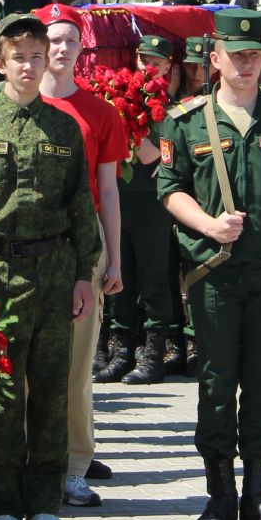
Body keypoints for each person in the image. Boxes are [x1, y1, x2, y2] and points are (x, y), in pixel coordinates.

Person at [160, 8, 261, 520]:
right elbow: (169, 189)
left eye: (256, 54)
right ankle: (219, 498)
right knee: (215, 382)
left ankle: (260, 496)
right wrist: (210, 224)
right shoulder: (186, 120)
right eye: (237, 55)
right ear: (215, 58)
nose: (247, 64)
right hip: (215, 273)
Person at [0, 11, 103, 520]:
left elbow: (80, 203)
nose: (28, 65)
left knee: (50, 388)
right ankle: (0, 500)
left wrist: (86, 274)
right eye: (18, 56)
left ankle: (44, 500)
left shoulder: (65, 126)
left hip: (54, 267)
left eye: (36, 56)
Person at [32, 3, 126, 510]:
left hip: (80, 248)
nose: (61, 49)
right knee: (23, 362)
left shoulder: (100, 112)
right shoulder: (5, 109)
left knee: (75, 365)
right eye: (53, 40)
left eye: (70, 40)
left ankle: (72, 465)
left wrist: (113, 259)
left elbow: (108, 192)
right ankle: (24, 463)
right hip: (23, 248)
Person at [104, 34, 180, 385]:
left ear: (169, 67)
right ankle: (120, 352)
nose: (149, 67)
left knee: (153, 279)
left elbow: (157, 157)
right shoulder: (119, 101)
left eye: (157, 62)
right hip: (120, 199)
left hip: (153, 203)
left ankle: (153, 354)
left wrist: (135, 129)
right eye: (143, 60)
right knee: (120, 278)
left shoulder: (173, 111)